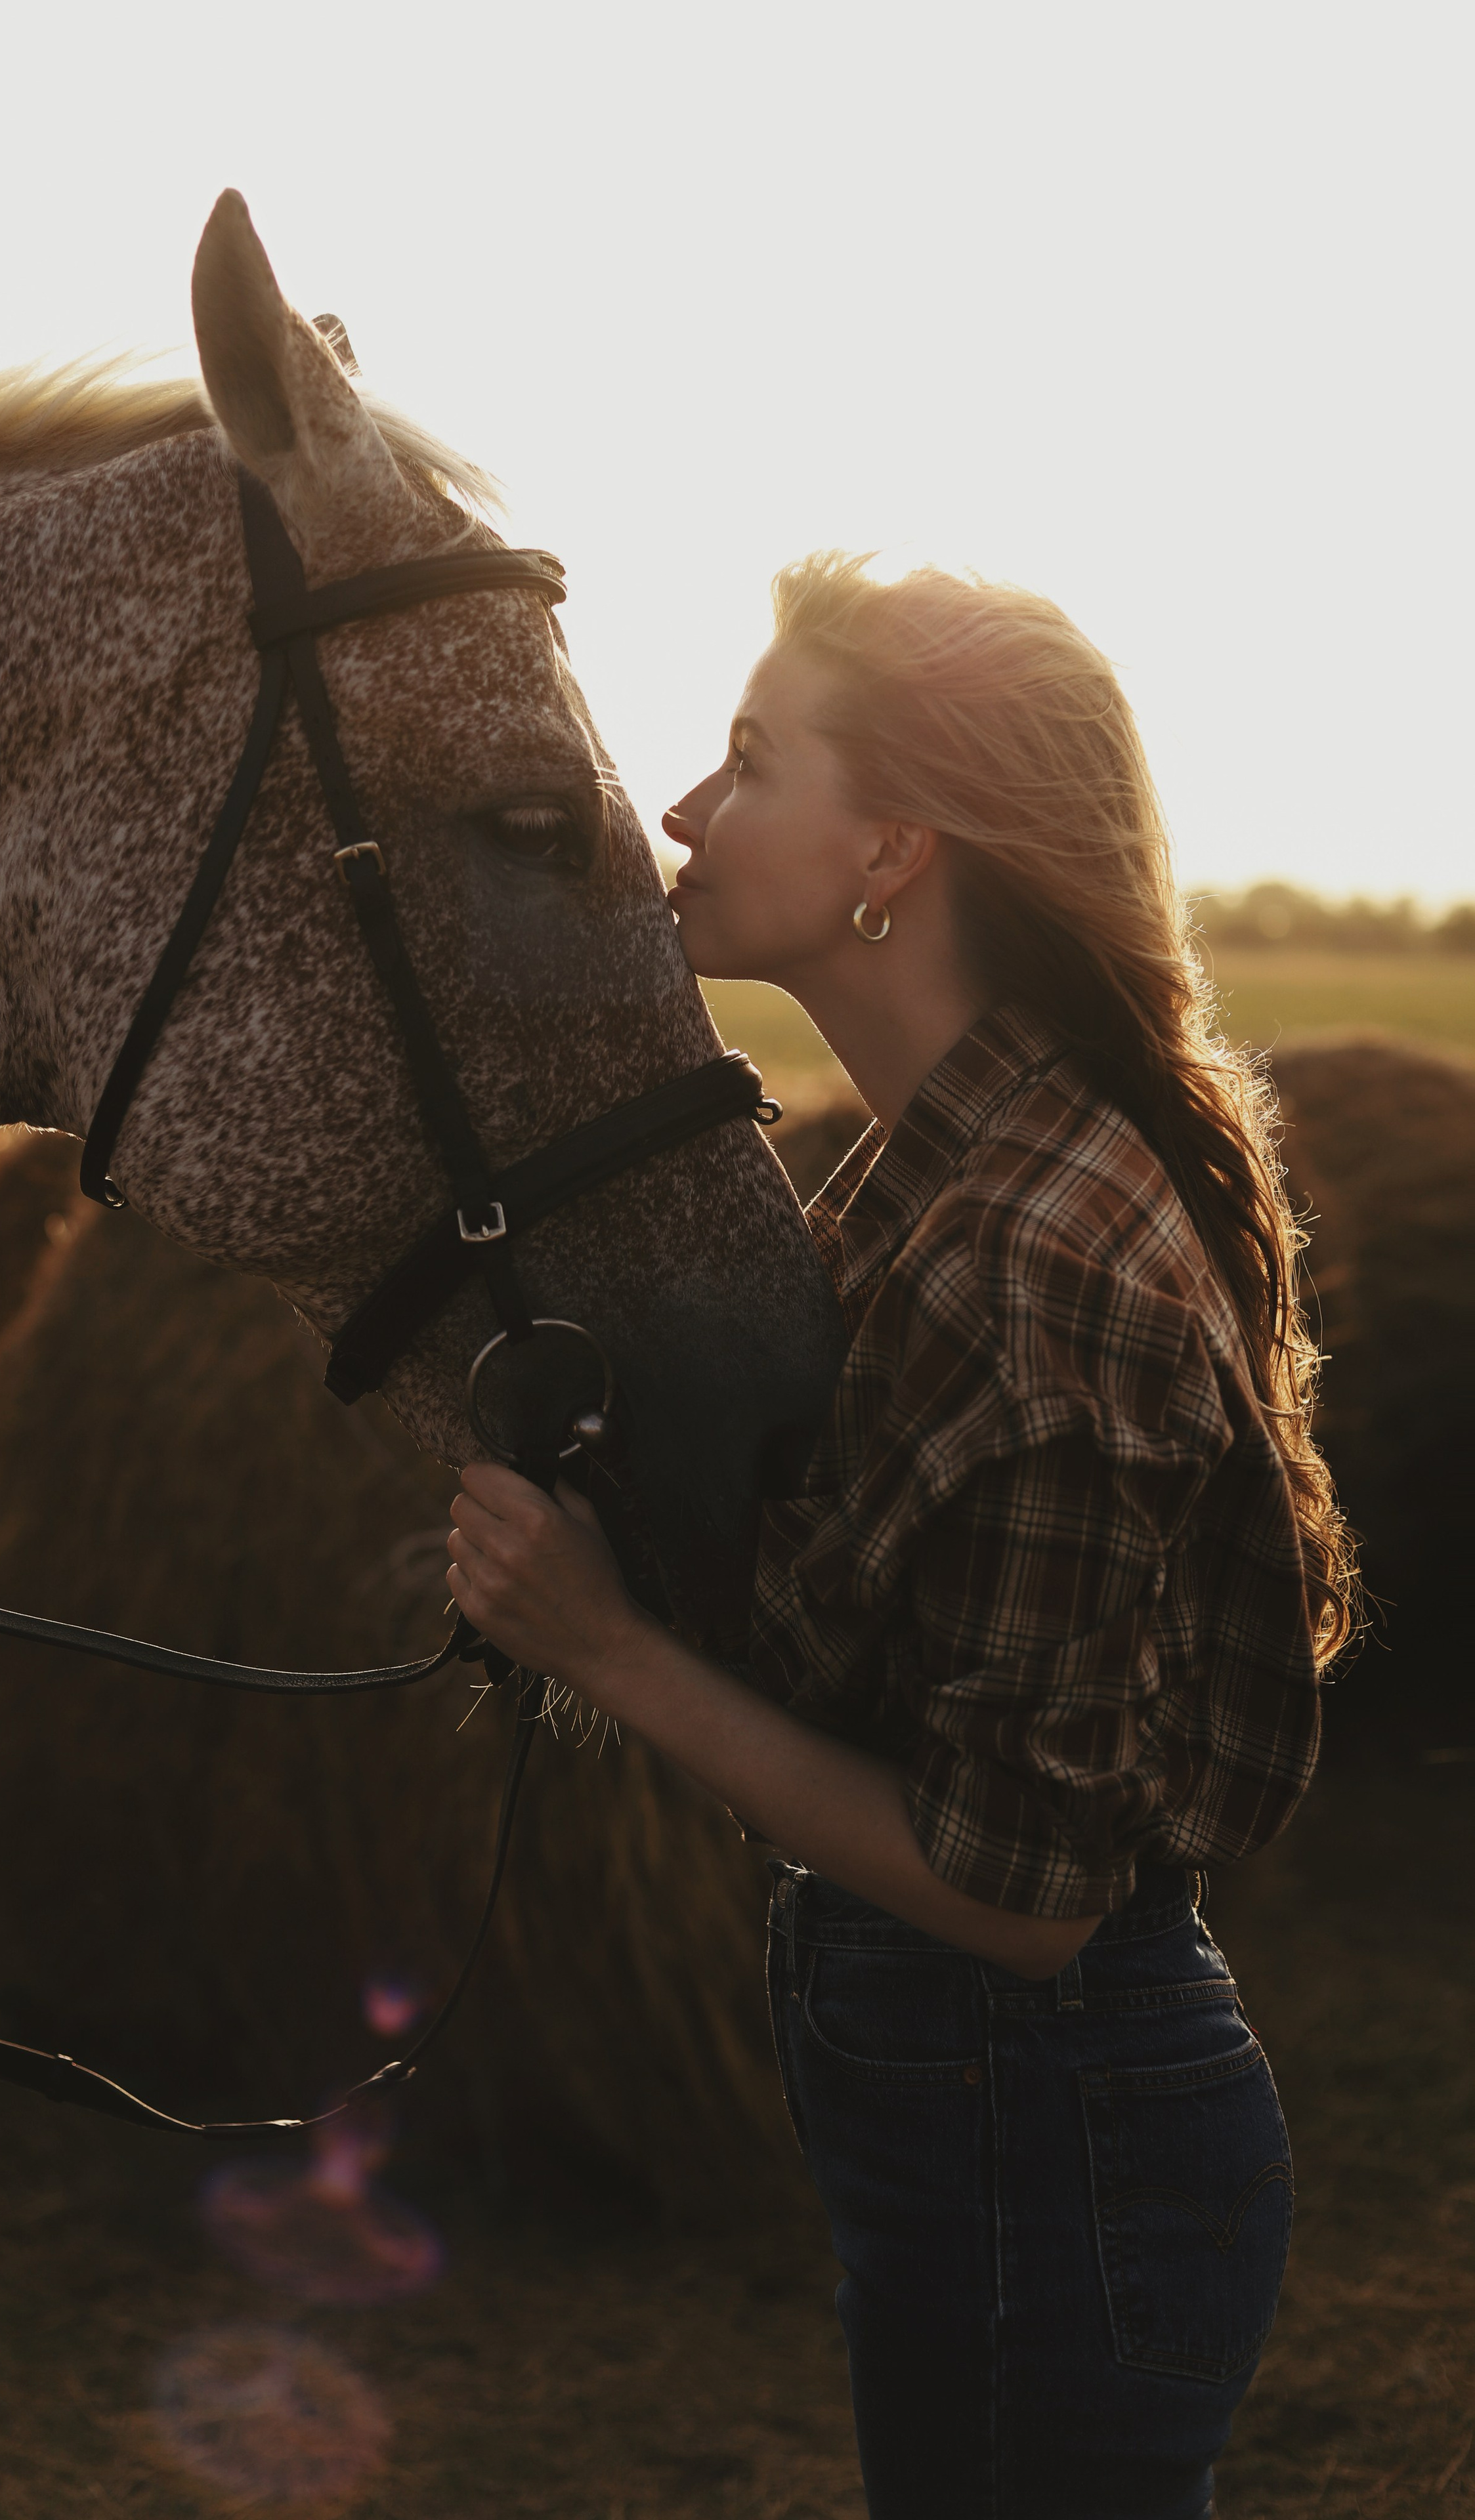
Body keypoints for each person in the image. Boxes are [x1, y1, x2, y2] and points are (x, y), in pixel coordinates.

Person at [444, 550, 1352, 2519]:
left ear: (896, 850)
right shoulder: (933, 1177)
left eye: (752, 758)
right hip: (1006, 2128)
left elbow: (1020, 1891)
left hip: (1051, 2128)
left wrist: (610, 1652)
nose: (679, 809)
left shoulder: (1032, 1255)